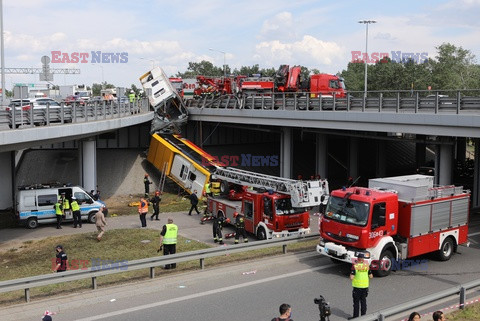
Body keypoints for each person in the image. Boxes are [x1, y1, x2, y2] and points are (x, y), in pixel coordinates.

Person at [349, 253, 373, 319]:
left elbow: (351, 277)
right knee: (363, 302)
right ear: (363, 259)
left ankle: (356, 318)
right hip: (365, 288)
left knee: (356, 303)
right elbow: (371, 276)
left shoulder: (355, 266)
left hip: (357, 288)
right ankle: (363, 317)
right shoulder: (366, 266)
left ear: (357, 259)